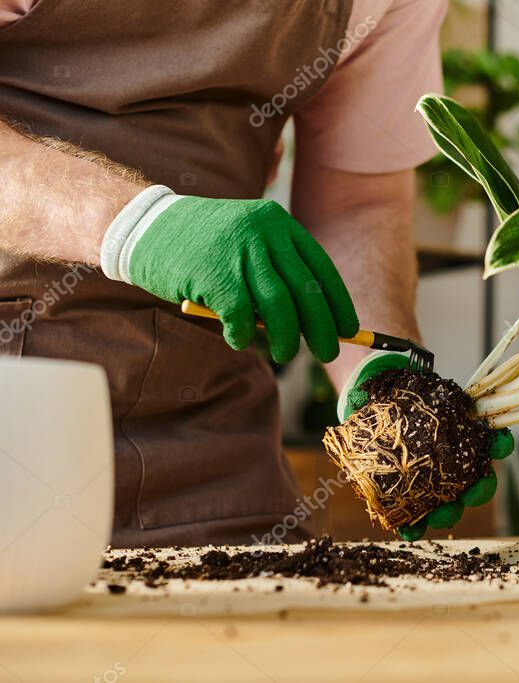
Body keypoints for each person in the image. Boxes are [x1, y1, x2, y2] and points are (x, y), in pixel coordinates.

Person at [0, 0, 457, 547]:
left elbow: (358, 204)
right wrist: (135, 227)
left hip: (210, 448)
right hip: (18, 429)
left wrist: (384, 376)